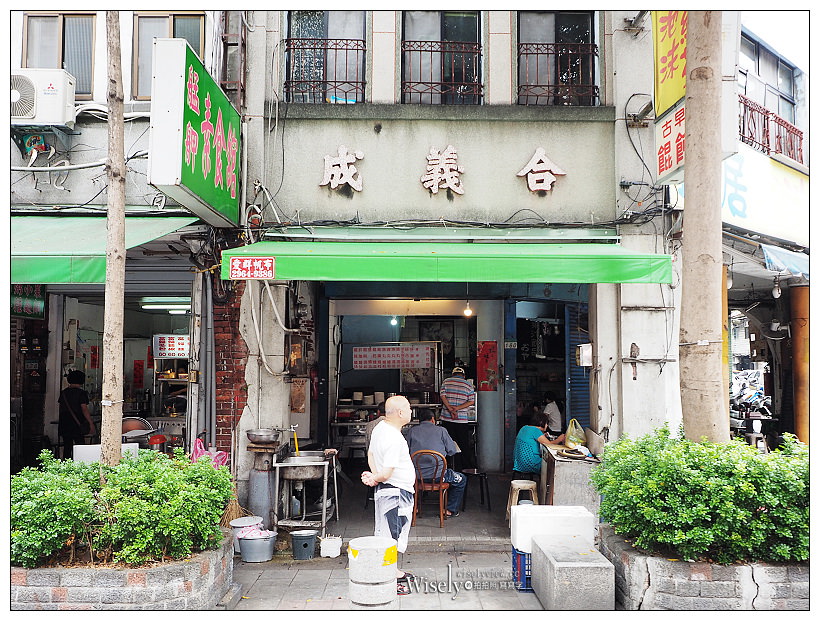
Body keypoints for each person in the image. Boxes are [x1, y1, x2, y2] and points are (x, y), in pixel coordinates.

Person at [361, 395, 417, 595]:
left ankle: (394, 571)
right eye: (409, 408)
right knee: (391, 537)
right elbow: (388, 471)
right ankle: (388, 581)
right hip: (396, 491)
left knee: (387, 532)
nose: (411, 411)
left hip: (387, 490)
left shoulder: (379, 428)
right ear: (401, 413)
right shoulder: (394, 437)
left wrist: (375, 477)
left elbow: (370, 455)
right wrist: (377, 477)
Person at [405, 408, 466, 518]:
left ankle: (414, 507)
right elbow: (452, 451)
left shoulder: (412, 431)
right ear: (433, 419)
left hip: (415, 477)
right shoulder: (441, 430)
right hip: (439, 476)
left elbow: (405, 452)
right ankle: (450, 510)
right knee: (461, 479)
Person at [438, 366, 477, 468]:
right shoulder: (468, 384)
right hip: (461, 421)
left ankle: (447, 467)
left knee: (447, 444)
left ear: (453, 374)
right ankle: (464, 467)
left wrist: (450, 409)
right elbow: (471, 401)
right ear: (463, 375)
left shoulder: (446, 382)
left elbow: (442, 396)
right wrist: (457, 408)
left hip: (447, 418)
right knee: (463, 444)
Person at [513, 411, 566, 477]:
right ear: (541, 422)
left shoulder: (524, 428)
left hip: (519, 463)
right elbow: (549, 445)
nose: (547, 426)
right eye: (546, 423)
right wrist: (559, 439)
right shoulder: (536, 431)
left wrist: (543, 436)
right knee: (553, 464)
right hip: (530, 464)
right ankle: (548, 486)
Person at [58, 370, 96, 459]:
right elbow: (84, 409)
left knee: (67, 446)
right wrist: (90, 423)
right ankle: (81, 464)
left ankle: (66, 465)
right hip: (77, 423)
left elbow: (61, 407)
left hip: (64, 422)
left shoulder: (63, 393)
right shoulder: (81, 393)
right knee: (80, 445)